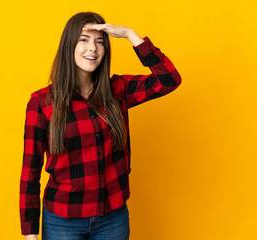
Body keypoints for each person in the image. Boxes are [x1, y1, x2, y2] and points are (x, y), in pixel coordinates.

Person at [19, 11, 182, 240]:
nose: (93, 48)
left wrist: (130, 35)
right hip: (62, 221)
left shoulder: (118, 90)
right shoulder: (42, 103)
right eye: (84, 40)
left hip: (112, 218)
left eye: (99, 42)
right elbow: (30, 170)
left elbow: (169, 80)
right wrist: (30, 234)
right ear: (69, 46)